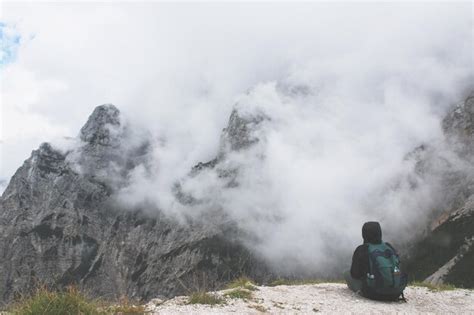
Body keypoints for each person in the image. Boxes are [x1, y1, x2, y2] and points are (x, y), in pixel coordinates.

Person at [344, 221, 406, 300]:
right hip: (396, 292)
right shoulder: (388, 247)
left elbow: (355, 274)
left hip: (373, 293)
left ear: (364, 234)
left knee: (346, 273)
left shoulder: (362, 249)